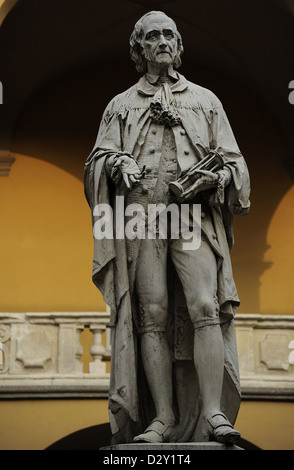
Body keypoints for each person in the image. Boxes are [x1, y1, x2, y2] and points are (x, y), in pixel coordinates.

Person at [84, 10, 250, 445]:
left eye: (168, 35)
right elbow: (96, 162)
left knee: (204, 306)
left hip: (192, 217)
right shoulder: (120, 106)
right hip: (141, 218)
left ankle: (213, 413)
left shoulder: (206, 101)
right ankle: (162, 418)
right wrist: (115, 162)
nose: (162, 41)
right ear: (139, 48)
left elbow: (235, 165)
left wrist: (214, 178)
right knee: (151, 317)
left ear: (178, 46)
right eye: (152, 35)